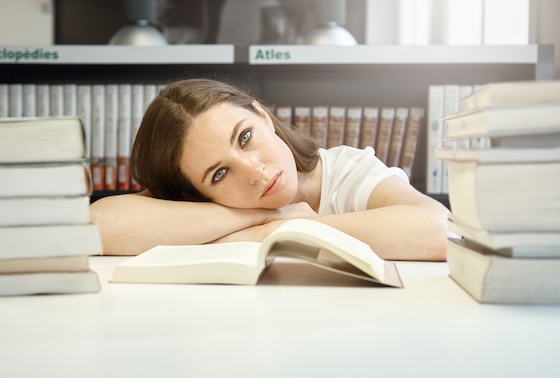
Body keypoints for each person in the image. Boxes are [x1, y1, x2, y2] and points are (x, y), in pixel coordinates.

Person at [90, 79, 449, 260]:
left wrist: (284, 229)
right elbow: (98, 226)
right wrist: (260, 220)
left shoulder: (345, 171)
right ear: (194, 195)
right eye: (219, 174)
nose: (253, 171)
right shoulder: (205, 210)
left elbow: (439, 229)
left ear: (263, 117)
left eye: (245, 137)